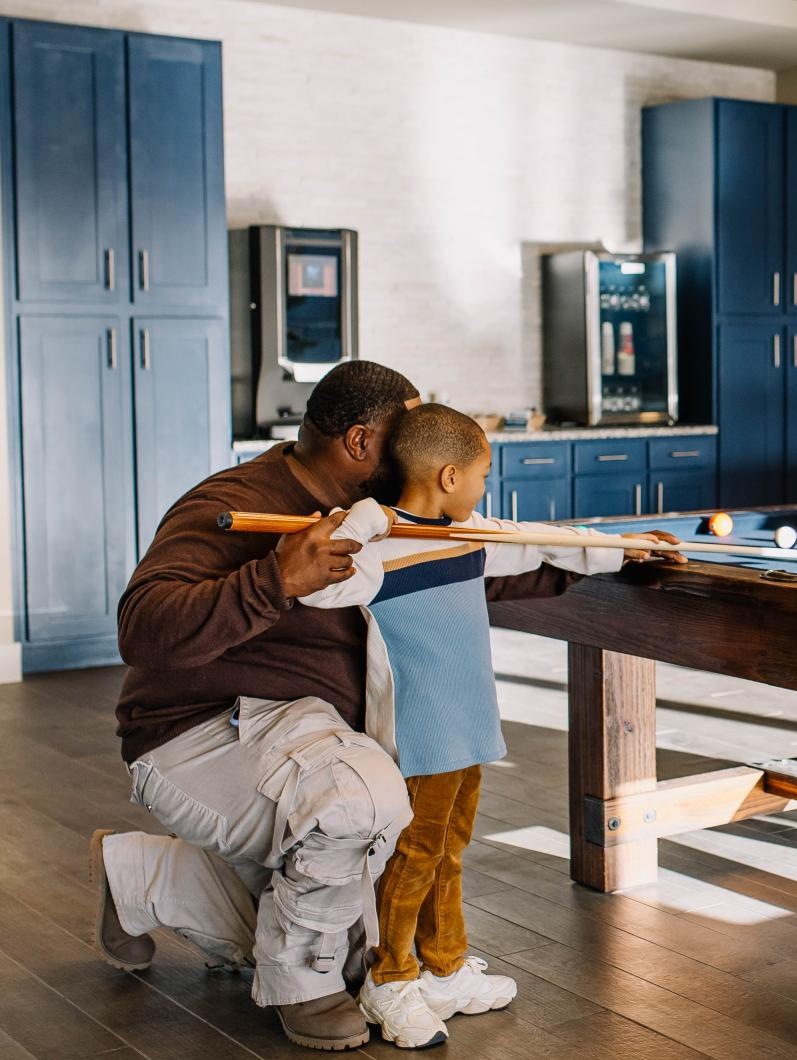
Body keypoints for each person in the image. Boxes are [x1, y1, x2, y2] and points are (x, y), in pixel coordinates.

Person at [89, 362, 673, 1051]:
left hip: (305, 739)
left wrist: (606, 562)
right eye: (405, 436)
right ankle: (302, 985)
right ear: (362, 443)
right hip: (203, 730)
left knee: (362, 935)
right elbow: (143, 627)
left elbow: (454, 572)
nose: (421, 453)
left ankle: (136, 878)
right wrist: (274, 578)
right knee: (364, 806)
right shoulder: (234, 499)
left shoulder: (395, 519)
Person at [297, 404, 678, 1048]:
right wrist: (366, 519)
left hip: (468, 721)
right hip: (420, 733)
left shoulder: (465, 533)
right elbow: (316, 585)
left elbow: (538, 540)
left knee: (451, 848)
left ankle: (443, 967)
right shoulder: (378, 549)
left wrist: (622, 549)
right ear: (449, 476)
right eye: (481, 475)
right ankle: (390, 980)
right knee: (416, 855)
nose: (484, 488)